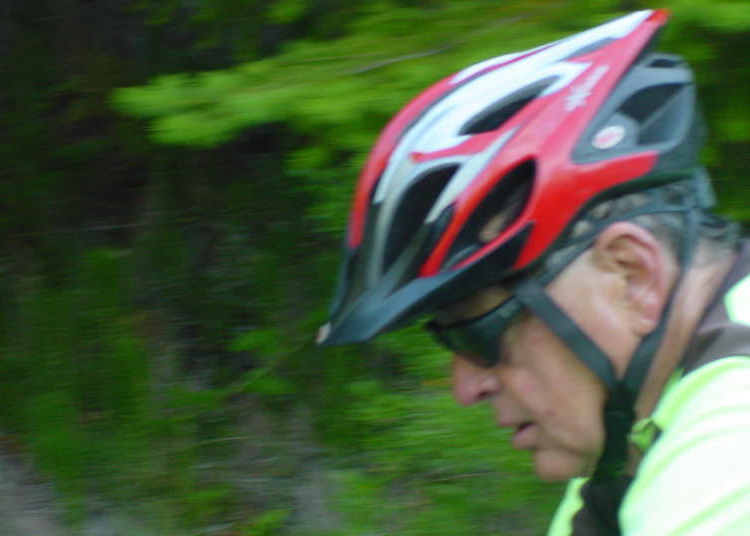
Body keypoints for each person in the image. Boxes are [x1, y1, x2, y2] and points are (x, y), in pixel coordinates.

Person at [316, 9, 750, 535]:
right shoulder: (639, 435)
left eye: (480, 334)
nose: (465, 387)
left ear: (632, 276)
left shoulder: (732, 437)